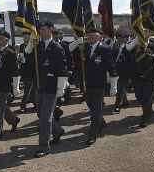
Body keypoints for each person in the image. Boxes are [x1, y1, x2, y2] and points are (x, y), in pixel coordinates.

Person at [69, 28, 118, 145]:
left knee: (95, 111)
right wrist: (77, 42)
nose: (90, 38)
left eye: (93, 36)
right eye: (89, 36)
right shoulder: (83, 48)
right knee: (91, 106)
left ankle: (92, 134)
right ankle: (101, 122)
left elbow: (111, 67)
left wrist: (113, 84)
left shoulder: (105, 49)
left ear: (100, 37)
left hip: (99, 84)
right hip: (86, 85)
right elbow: (68, 49)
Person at [31, 21, 67, 157]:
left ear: (51, 30)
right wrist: (29, 46)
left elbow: (62, 69)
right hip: (40, 86)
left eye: (44, 29)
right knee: (41, 114)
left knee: (45, 118)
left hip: (51, 87)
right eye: (40, 30)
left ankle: (44, 146)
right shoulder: (37, 46)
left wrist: (60, 88)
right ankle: (57, 131)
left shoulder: (57, 48)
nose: (42, 32)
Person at [113, 29, 132, 113]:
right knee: (121, 88)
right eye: (122, 36)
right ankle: (125, 101)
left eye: (126, 36)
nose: (125, 38)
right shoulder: (114, 46)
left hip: (125, 72)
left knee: (120, 88)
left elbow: (130, 60)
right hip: (115, 71)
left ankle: (117, 105)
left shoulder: (128, 47)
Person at [19, 32, 36, 112]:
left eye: (27, 37)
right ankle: (23, 105)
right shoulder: (21, 46)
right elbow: (21, 57)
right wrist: (21, 59)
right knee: (27, 89)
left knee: (33, 89)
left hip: (33, 69)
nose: (25, 38)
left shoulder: (33, 45)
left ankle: (35, 104)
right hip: (25, 70)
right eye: (24, 37)